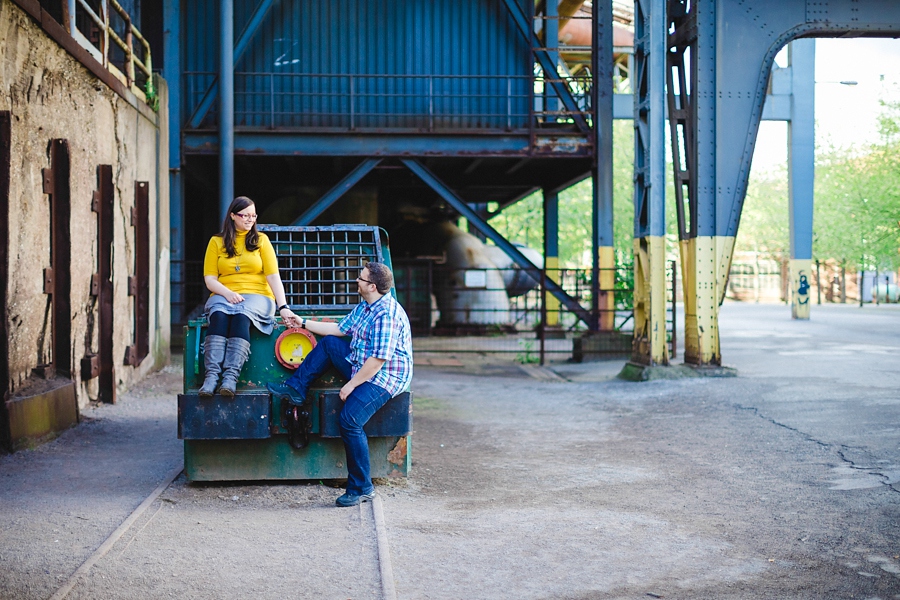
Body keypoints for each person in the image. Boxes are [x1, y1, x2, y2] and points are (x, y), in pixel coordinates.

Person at [267, 262, 413, 507]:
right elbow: (338, 329)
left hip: (384, 376)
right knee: (329, 344)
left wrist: (351, 386)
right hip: (363, 365)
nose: (357, 280)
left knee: (349, 420)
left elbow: (377, 362)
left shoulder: (386, 314)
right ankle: (296, 389)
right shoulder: (367, 305)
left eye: (361, 278)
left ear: (372, 286)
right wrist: (301, 323)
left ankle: (361, 488)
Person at [200, 196, 299, 397]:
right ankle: (211, 377)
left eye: (253, 216)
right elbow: (210, 280)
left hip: (258, 295)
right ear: (233, 216)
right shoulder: (216, 242)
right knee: (218, 315)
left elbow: (273, 276)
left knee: (241, 317)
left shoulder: (261, 240)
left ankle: (230, 378)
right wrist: (227, 293)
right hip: (223, 292)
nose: (250, 220)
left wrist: (283, 307)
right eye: (245, 215)